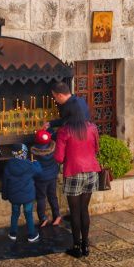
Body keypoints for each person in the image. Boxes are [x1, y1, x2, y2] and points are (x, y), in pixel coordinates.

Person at [54, 107, 100, 258]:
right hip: (91, 171)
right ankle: (86, 245)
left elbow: (59, 158)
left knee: (75, 212)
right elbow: (96, 148)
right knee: (84, 209)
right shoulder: (92, 128)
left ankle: (76, 247)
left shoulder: (64, 131)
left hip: (73, 172)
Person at [1, 143, 40, 243]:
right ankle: (31, 235)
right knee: (28, 214)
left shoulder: (8, 166)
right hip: (27, 196)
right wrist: (36, 162)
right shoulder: (29, 165)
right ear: (25, 153)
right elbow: (39, 171)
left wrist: (5, 195)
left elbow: (5, 182)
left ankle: (13, 234)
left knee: (15, 214)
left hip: (14, 197)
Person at [31, 129, 62, 227]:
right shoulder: (53, 148)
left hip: (40, 179)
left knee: (41, 198)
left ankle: (43, 218)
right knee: (53, 196)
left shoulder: (34, 152)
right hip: (52, 176)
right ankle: (57, 216)